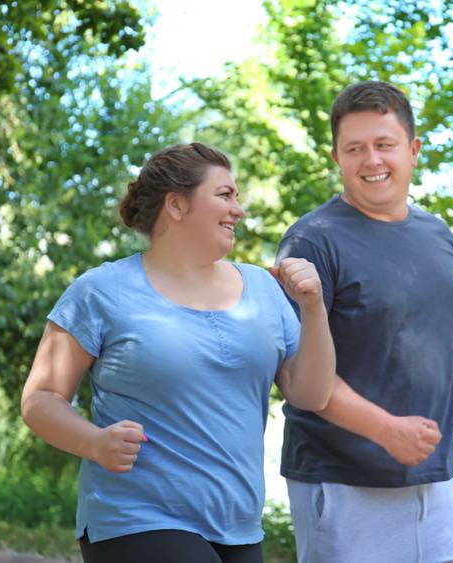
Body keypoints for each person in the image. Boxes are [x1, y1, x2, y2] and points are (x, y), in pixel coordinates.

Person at [20, 142, 335, 563]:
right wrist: (94, 443)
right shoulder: (101, 292)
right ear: (177, 205)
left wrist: (313, 307)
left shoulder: (264, 289)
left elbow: (312, 395)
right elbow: (40, 399)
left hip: (238, 523)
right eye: (225, 195)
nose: (238, 210)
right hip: (135, 518)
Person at [276, 81, 453, 563]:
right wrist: (384, 429)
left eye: (384, 145)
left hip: (437, 482)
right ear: (337, 156)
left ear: (413, 150)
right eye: (355, 148)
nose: (371, 161)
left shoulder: (436, 234)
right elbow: (295, 372)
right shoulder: (312, 240)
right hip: (342, 484)